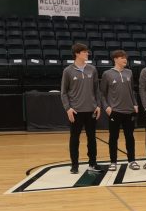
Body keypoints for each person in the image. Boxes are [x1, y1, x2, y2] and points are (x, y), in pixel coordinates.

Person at [60, 43, 101, 174]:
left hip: (91, 110)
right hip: (76, 111)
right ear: (77, 54)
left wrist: (98, 105)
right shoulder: (68, 71)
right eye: (84, 52)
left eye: (87, 52)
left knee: (92, 138)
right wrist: (68, 108)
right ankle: (75, 165)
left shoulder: (92, 69)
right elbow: (64, 92)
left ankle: (93, 163)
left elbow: (97, 90)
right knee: (74, 139)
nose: (87, 54)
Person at [100, 50, 139, 171]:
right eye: (122, 58)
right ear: (115, 59)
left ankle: (132, 160)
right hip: (115, 111)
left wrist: (135, 103)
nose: (125, 60)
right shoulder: (107, 74)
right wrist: (106, 107)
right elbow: (102, 93)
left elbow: (131, 90)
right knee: (113, 137)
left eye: (125, 58)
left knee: (130, 137)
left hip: (129, 110)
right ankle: (113, 162)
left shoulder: (129, 72)